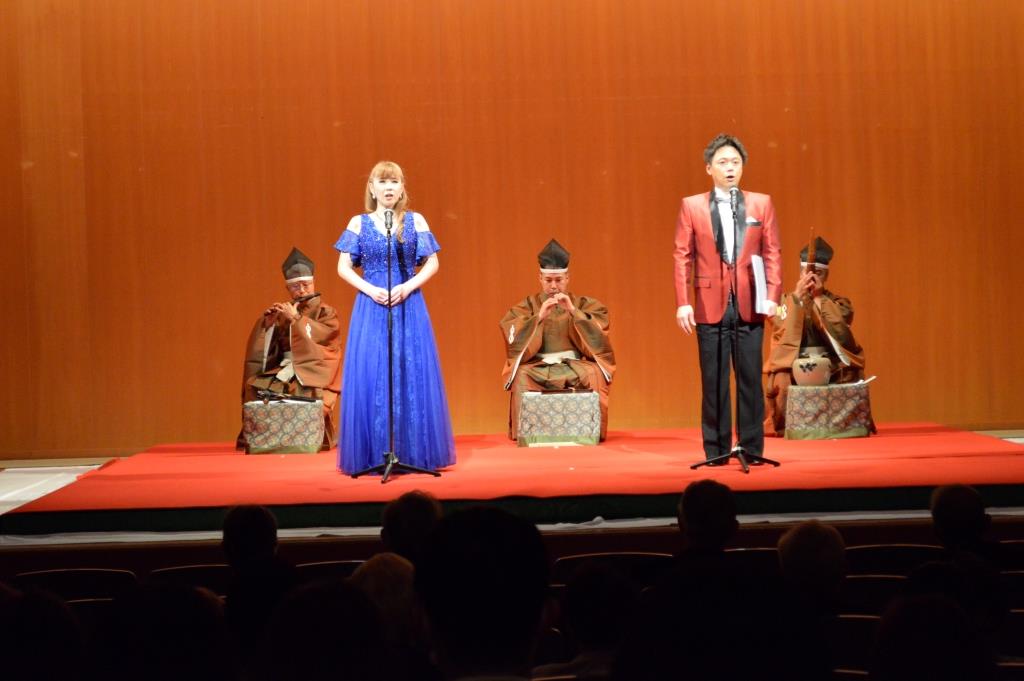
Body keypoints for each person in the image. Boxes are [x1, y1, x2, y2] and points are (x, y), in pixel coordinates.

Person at [334, 161, 455, 475]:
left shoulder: (416, 220)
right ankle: (375, 452)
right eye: (382, 181)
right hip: (371, 305)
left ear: (402, 188)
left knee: (409, 370)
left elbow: (432, 262)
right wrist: (370, 289)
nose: (388, 187)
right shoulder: (358, 223)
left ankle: (411, 451)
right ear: (372, 188)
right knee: (374, 372)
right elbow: (343, 267)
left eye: (394, 182)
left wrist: (408, 286)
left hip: (407, 303)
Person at [673, 133, 782, 465]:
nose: (730, 167)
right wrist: (683, 301)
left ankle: (752, 448)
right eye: (722, 162)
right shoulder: (692, 206)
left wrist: (773, 295)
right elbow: (682, 256)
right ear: (709, 168)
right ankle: (716, 451)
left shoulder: (760, 203)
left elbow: (772, 252)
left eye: (735, 162)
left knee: (750, 379)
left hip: (749, 301)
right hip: (710, 303)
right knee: (714, 380)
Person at [500, 239, 616, 440]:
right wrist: (538, 318)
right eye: (548, 280)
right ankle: (526, 435)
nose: (554, 286)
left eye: (559, 280)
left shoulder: (583, 304)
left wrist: (573, 311)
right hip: (538, 366)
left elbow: (599, 333)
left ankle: (592, 432)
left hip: (573, 365)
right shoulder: (527, 306)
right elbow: (511, 332)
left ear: (567, 278)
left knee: (595, 374)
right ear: (540, 278)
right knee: (521, 376)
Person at [237, 247, 342, 451]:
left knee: (304, 390)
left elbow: (326, 339)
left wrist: (296, 319)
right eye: (295, 287)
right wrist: (269, 326)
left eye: (305, 285)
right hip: (286, 367)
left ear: (313, 283)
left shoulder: (326, 312)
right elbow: (269, 352)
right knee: (254, 386)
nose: (301, 291)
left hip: (314, 369)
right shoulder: (284, 312)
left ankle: (307, 439)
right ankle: (269, 439)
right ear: (287, 289)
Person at [763, 236, 868, 435]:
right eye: (807, 273)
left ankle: (843, 425)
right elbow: (779, 326)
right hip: (794, 363)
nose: (811, 278)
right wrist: (797, 298)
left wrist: (819, 298)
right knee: (781, 379)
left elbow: (841, 332)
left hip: (830, 364)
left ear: (826, 275)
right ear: (800, 273)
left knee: (849, 373)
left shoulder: (840, 303)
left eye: (818, 273)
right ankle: (785, 427)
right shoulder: (783, 302)